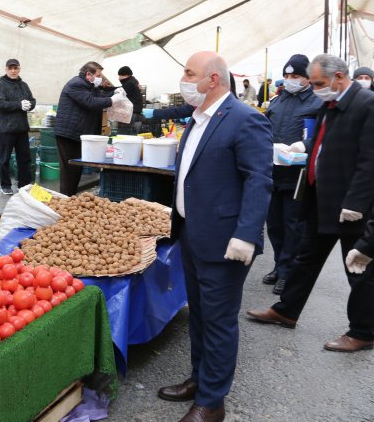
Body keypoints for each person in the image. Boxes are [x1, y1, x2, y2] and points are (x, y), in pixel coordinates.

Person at [157, 51, 272, 422]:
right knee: (200, 316)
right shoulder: (197, 119)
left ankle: (212, 402)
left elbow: (259, 179)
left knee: (219, 320)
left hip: (225, 240)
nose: (184, 80)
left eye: (189, 73)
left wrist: (246, 235)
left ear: (212, 79)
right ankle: (199, 379)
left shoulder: (245, 119)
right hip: (192, 232)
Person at [246, 54, 374, 353]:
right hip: (322, 197)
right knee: (306, 257)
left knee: (358, 266)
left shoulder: (366, 105)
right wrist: (300, 147)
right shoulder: (331, 103)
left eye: (318, 83)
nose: (315, 88)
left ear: (339, 77)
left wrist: (356, 201)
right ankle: (287, 310)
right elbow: (318, 141)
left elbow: (370, 161)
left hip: (349, 204)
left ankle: (364, 330)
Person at [262, 55, 322, 295]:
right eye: (287, 76)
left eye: (295, 76)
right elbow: (265, 128)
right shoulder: (277, 101)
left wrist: (303, 146)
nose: (290, 80)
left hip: (297, 173)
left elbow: (319, 136)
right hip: (274, 170)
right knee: (274, 224)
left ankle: (288, 272)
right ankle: (279, 265)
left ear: (307, 78)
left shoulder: (317, 102)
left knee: (293, 225)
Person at [54, 61, 128, 195]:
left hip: (78, 133)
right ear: (89, 74)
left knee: (76, 169)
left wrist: (114, 92)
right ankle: (65, 199)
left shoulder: (89, 86)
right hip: (68, 133)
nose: (101, 78)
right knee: (69, 170)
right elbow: (90, 102)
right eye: (99, 75)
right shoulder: (76, 84)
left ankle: (70, 197)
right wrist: (113, 100)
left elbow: (99, 97)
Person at [0, 59, 36, 195]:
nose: (13, 71)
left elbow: (32, 99)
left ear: (19, 69)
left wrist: (31, 104)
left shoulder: (24, 85)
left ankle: (24, 184)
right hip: (6, 129)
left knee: (24, 158)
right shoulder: (1, 85)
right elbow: (0, 103)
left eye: (15, 68)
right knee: (4, 159)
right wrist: (18, 105)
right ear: (6, 69)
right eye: (10, 68)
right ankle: (5, 185)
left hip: (22, 128)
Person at [116, 66, 144, 135]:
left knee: (123, 136)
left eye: (120, 76)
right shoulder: (133, 82)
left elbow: (118, 93)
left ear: (126, 75)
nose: (119, 78)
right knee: (132, 136)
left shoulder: (129, 83)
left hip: (130, 113)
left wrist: (104, 96)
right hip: (136, 113)